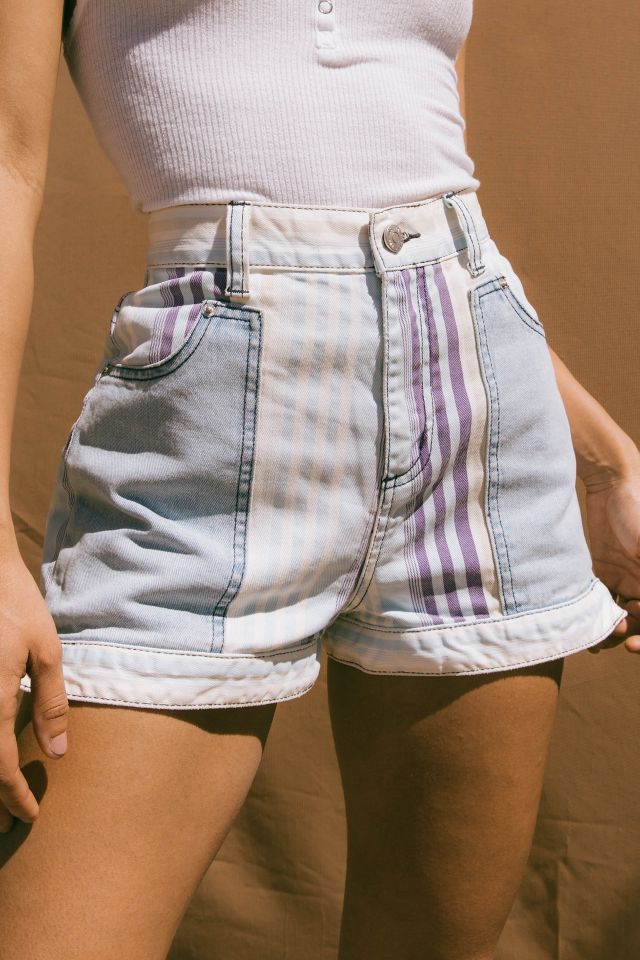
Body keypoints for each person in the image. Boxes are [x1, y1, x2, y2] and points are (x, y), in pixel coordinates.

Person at [0, 2, 638, 958]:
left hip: (480, 412)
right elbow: (7, 170)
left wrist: (604, 462)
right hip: (211, 416)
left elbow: (423, 200)